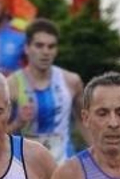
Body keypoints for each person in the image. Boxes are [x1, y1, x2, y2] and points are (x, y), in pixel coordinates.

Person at [10, 19, 82, 161]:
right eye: (39, 46)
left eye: (51, 46)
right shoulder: (11, 85)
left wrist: (100, 156)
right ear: (26, 48)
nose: (45, 52)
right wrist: (18, 122)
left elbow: (85, 121)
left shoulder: (71, 81)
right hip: (26, 165)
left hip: (64, 163)